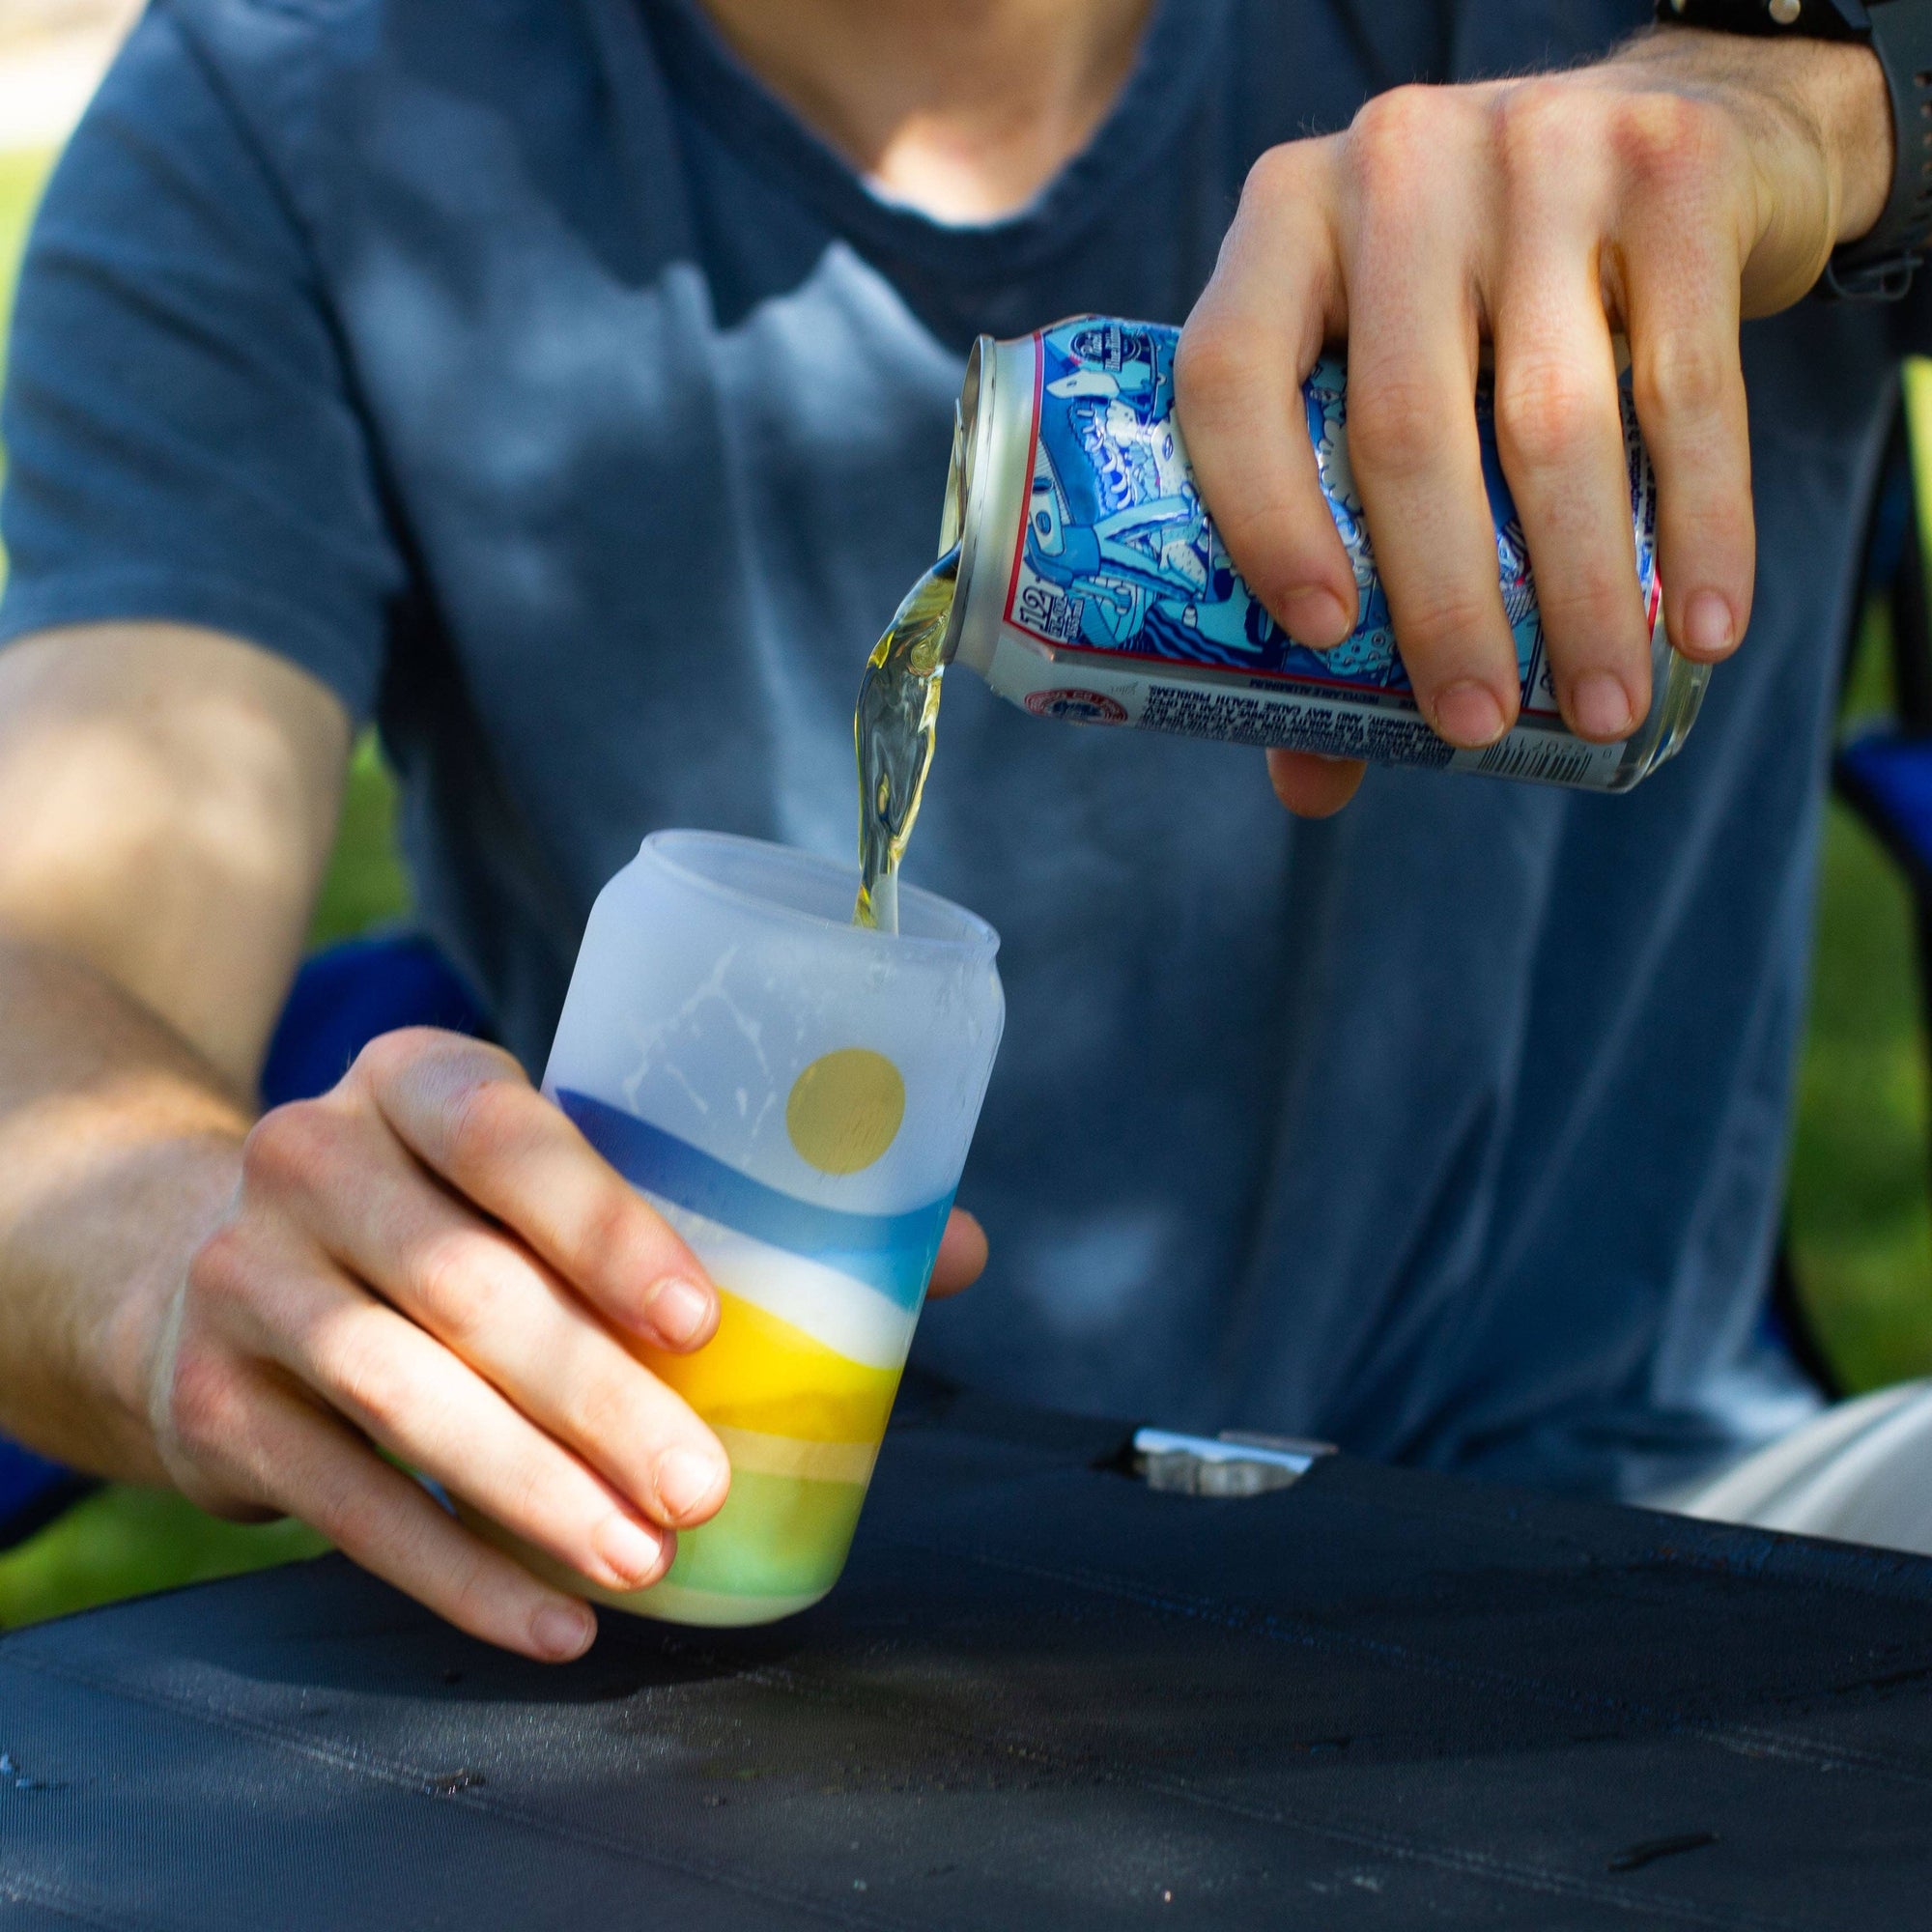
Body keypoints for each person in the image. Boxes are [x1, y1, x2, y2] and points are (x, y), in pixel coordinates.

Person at [0, 0, 1918, 1662]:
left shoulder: (1700, 14)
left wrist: (1820, 116)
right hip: (825, 1604)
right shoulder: (302, 105)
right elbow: (51, 971)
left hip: (1667, 1521)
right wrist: (192, 1248)